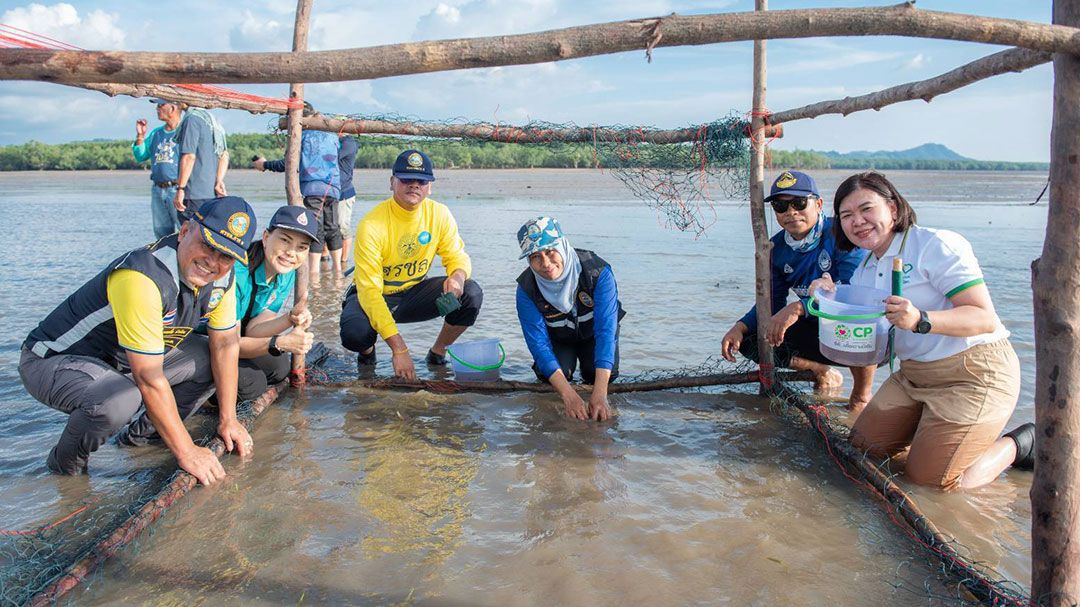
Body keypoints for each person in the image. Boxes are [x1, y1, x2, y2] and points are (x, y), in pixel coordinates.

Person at [811, 171, 1034, 490]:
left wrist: (919, 318)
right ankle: (940, 441)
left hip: (973, 374)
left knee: (935, 484)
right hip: (914, 375)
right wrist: (829, 296)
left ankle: (1017, 445)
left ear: (894, 209)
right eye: (846, 215)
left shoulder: (934, 244)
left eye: (866, 209)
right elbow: (864, 339)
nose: (857, 221)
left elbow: (984, 318)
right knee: (863, 452)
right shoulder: (865, 269)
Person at [19, 196, 257, 486]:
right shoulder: (143, 277)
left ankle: (140, 440)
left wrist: (228, 419)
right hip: (53, 360)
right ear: (184, 232)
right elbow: (148, 376)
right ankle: (65, 470)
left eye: (226, 255)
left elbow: (225, 345)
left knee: (207, 357)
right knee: (117, 400)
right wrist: (188, 452)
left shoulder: (223, 280)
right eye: (208, 245)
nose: (212, 263)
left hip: (123, 365)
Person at [721, 170, 875, 409]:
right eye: (781, 206)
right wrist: (739, 327)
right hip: (814, 324)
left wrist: (799, 308)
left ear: (819, 204)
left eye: (799, 203)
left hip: (848, 326)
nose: (791, 212)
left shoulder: (842, 235)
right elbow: (770, 302)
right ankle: (821, 370)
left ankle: (860, 397)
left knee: (859, 323)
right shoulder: (776, 249)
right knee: (752, 340)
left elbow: (854, 294)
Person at [340, 149, 483, 379]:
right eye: (406, 179)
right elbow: (369, 292)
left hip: (413, 294)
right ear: (392, 182)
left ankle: (437, 353)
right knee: (354, 333)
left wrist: (457, 275)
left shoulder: (440, 214)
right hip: (375, 295)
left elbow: (456, 255)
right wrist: (399, 348)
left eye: (422, 180)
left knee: (471, 293)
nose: (414, 185)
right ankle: (368, 353)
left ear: (430, 187)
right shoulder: (372, 224)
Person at [515, 216, 624, 421]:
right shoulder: (526, 290)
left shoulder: (598, 272)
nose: (546, 263)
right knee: (553, 376)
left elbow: (606, 331)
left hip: (594, 336)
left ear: (563, 245)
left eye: (550, 251)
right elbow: (538, 345)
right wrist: (569, 396)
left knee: (599, 376)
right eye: (535, 257)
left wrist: (600, 395)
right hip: (558, 339)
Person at [233, 205, 318, 401]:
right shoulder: (238, 274)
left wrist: (290, 319)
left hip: (236, 336)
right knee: (251, 384)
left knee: (279, 368)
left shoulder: (285, 273)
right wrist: (280, 342)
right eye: (285, 240)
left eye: (301, 248)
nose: (291, 253)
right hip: (207, 340)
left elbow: (254, 329)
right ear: (265, 237)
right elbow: (227, 344)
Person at [253, 103, 342, 280]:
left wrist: (264, 165)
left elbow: (289, 163)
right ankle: (338, 272)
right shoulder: (330, 132)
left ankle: (314, 275)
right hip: (333, 188)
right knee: (333, 227)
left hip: (311, 187)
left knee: (315, 228)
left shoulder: (301, 134)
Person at [133, 98, 183, 239]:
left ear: (173, 109)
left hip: (177, 189)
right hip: (158, 189)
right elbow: (141, 155)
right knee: (161, 232)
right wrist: (140, 136)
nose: (157, 109)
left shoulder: (184, 131)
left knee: (184, 229)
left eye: (161, 105)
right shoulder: (156, 133)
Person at [174, 105, 229, 219]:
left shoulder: (192, 119)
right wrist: (219, 181)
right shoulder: (212, 120)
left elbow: (189, 156)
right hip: (210, 193)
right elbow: (224, 155)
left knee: (188, 232)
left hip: (193, 193)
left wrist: (180, 189)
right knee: (204, 232)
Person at [337, 133, 359, 273]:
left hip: (344, 192)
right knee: (329, 227)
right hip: (332, 192)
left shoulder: (348, 143)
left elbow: (332, 156)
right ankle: (325, 259)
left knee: (342, 226)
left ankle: (343, 261)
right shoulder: (338, 142)